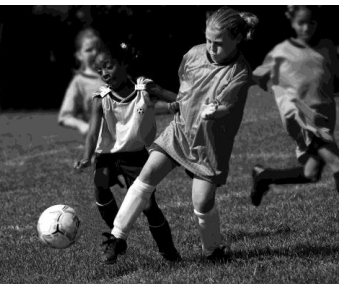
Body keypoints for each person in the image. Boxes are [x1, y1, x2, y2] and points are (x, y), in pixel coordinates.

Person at [98, 6, 259, 264]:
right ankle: (117, 237)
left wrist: (214, 111)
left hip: (209, 146)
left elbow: (227, 106)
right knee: (146, 175)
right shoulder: (193, 55)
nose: (211, 47)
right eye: (207, 40)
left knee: (202, 201)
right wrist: (160, 91)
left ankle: (213, 251)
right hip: (180, 132)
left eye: (218, 44)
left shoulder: (239, 72)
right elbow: (185, 98)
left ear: (237, 39)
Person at [73, 41, 181, 264]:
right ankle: (116, 238)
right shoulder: (100, 98)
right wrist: (87, 156)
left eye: (109, 67)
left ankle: (169, 253)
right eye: (99, 70)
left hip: (136, 155)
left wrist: (178, 105)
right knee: (101, 184)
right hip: (108, 155)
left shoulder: (144, 89)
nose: (104, 73)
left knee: (150, 207)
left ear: (123, 64)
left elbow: (178, 100)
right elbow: (93, 132)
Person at [250, 5, 339, 207]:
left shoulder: (326, 47)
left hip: (326, 117)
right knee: (339, 165)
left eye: (311, 22)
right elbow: (258, 75)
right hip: (303, 119)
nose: (306, 28)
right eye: (301, 23)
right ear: (292, 23)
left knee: (311, 174)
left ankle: (264, 176)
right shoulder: (281, 52)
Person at [57, 28, 105, 136]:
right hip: (102, 141)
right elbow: (65, 117)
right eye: (89, 50)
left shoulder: (115, 76)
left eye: (99, 49)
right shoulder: (79, 82)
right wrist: (82, 125)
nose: (95, 53)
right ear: (79, 55)